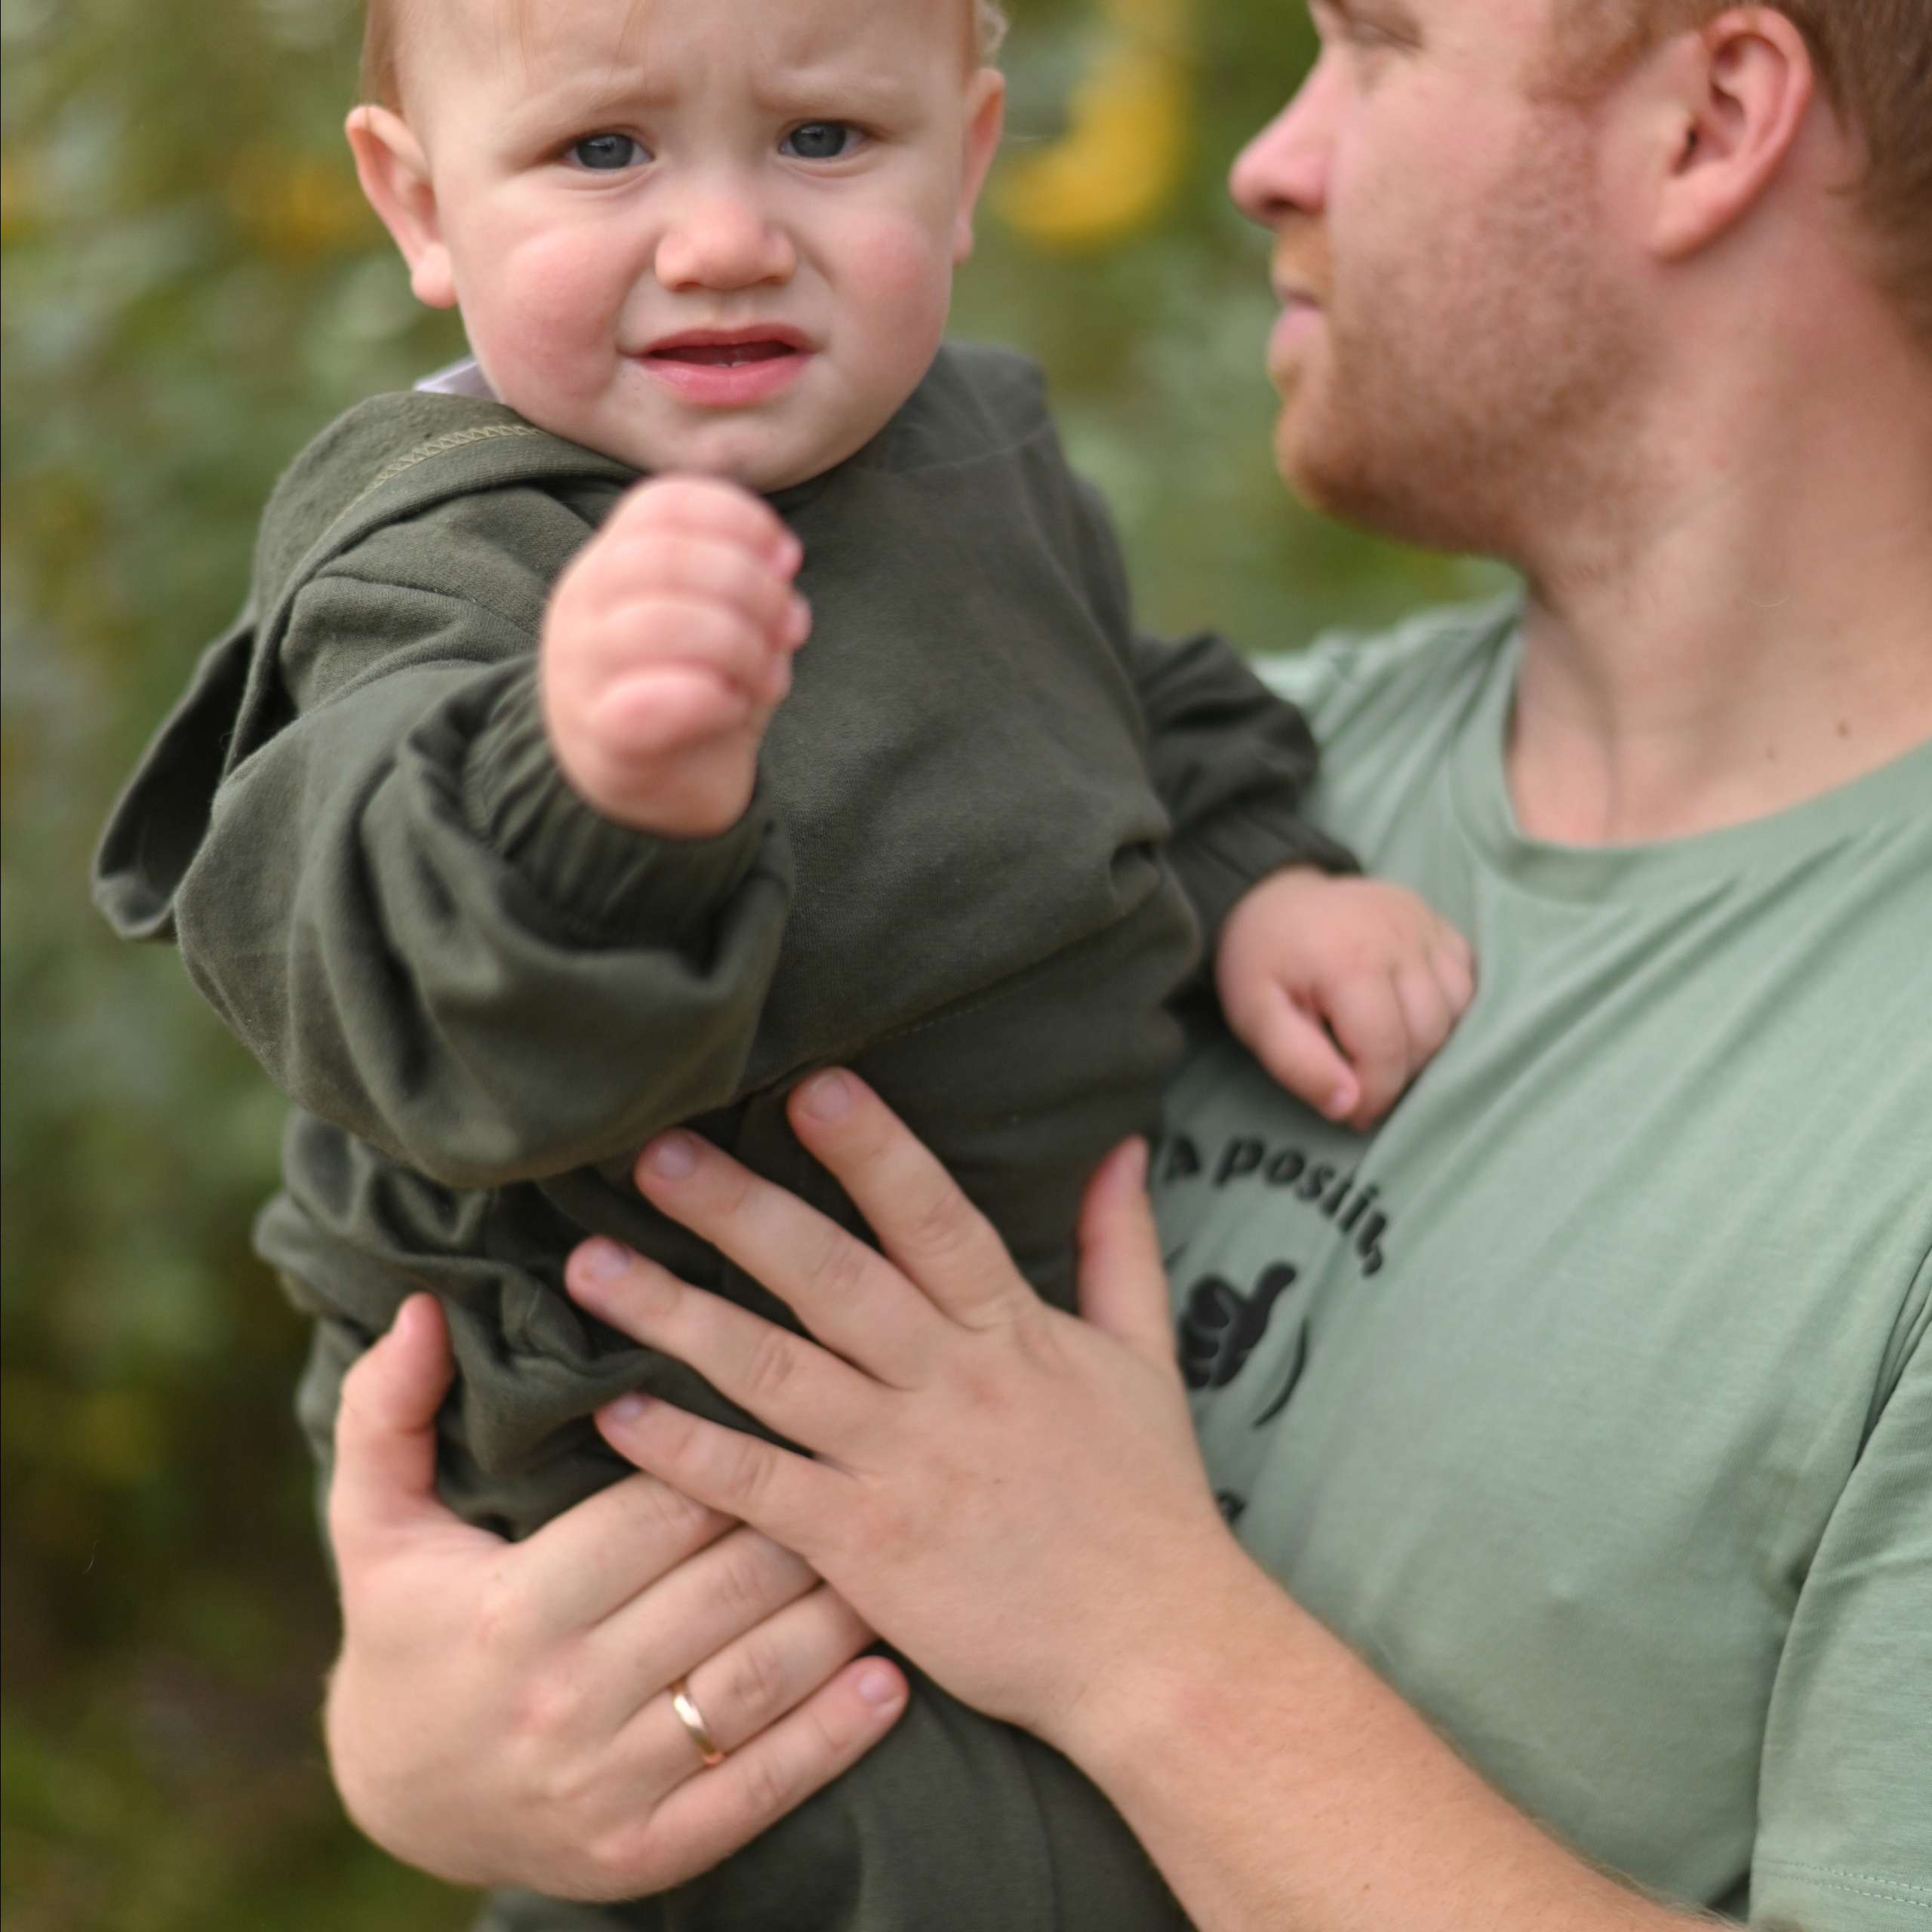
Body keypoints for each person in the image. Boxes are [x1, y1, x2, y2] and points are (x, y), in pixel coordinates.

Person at [315, 0, 1932, 1923]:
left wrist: (1136, 1642)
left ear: (1711, 118)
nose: (1263, 153)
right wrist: (423, 1728)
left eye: (1373, 43)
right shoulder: (1204, 781)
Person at [91, 0, 1478, 1925]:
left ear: (971, 159)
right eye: (604, 152)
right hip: (648, 1456)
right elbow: (365, 954)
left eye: (826, 138)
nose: (729, 234)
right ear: (420, 208)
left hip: (1005, 1447)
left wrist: (1256, 870)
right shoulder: (444, 560)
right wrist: (583, 791)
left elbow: (1123, 704)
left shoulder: (969, 445)